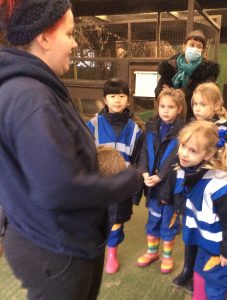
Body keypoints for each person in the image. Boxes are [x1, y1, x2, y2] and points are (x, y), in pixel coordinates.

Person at [0, 1, 141, 300]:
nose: (75, 43)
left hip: (54, 237)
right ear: (45, 37)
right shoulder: (30, 96)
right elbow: (58, 188)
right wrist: (129, 180)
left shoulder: (37, 88)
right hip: (54, 247)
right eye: (70, 33)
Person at [172, 82, 227, 294]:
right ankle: (188, 269)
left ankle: (198, 274)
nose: (197, 108)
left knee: (205, 232)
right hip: (190, 189)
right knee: (190, 229)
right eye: (195, 104)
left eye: (203, 104)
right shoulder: (193, 126)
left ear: (217, 105)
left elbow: (217, 163)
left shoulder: (222, 132)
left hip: (208, 191)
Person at [86, 77, 144, 274]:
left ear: (128, 100)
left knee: (117, 219)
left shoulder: (135, 129)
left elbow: (137, 161)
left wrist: (134, 190)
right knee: (95, 219)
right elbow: (83, 155)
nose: (117, 100)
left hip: (120, 187)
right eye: (112, 96)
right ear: (105, 100)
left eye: (122, 96)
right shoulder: (92, 125)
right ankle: (95, 250)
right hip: (97, 185)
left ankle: (112, 253)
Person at [136, 87, 187, 273]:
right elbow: (143, 152)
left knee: (169, 221)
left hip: (170, 187)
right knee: (153, 218)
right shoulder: (150, 126)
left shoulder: (183, 131)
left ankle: (167, 256)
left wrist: (160, 176)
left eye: (171, 107)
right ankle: (152, 252)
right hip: (152, 185)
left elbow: (175, 157)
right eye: (162, 106)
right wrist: (144, 173)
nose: (165, 110)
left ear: (179, 108)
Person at [155, 30, 219, 120]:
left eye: (199, 47)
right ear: (184, 47)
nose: (195, 49)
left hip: (195, 116)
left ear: (202, 51)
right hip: (169, 115)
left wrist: (175, 93)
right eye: (192, 45)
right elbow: (159, 91)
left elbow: (205, 95)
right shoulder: (169, 66)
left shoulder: (208, 70)